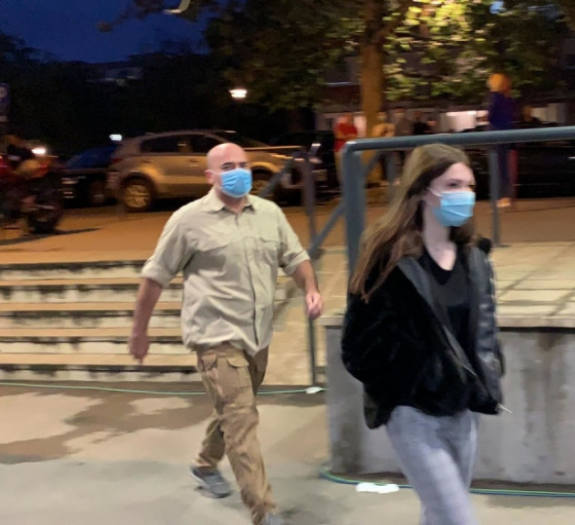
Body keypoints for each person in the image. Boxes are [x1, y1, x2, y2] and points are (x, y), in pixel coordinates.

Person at [128, 142, 324, 525]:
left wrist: (311, 289)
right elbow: (155, 276)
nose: (239, 172)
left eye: (243, 165)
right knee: (241, 418)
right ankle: (264, 511)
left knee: (234, 411)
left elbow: (295, 257)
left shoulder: (268, 213)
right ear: (210, 176)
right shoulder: (188, 220)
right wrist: (140, 331)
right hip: (214, 337)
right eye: (228, 166)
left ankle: (204, 464)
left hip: (257, 335)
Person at [342, 143, 505, 525]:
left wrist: (489, 375)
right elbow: (357, 348)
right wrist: (413, 380)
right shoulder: (388, 260)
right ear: (423, 190)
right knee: (457, 518)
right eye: (453, 185)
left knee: (439, 514)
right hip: (413, 413)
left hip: (464, 410)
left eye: (469, 186)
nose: (465, 195)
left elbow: (484, 330)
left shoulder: (475, 257)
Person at [487, 73, 515, 208]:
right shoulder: (508, 98)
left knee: (496, 168)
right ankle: (506, 196)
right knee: (504, 167)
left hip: (495, 135)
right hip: (505, 135)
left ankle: (499, 197)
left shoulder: (494, 97)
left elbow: (491, 115)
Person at [333, 113, 359, 184]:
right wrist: (348, 137)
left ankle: (351, 181)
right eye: (348, 116)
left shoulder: (354, 128)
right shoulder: (340, 125)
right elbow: (338, 135)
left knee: (351, 166)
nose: (349, 118)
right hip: (340, 149)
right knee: (342, 166)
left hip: (350, 150)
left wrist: (345, 136)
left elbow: (355, 138)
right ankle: (343, 182)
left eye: (351, 117)